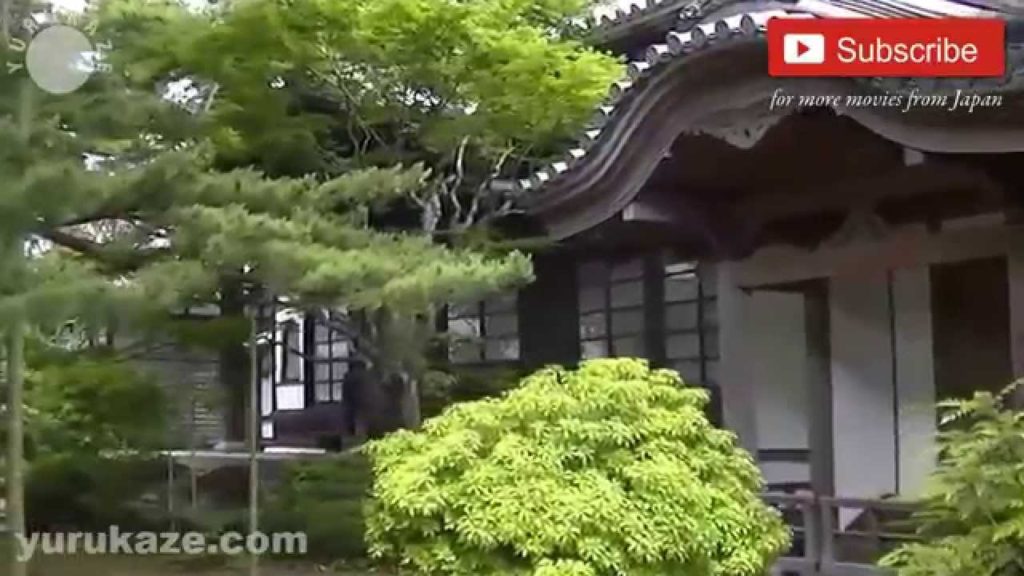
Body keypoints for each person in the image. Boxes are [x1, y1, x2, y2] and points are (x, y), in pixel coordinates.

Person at [341, 359, 368, 440]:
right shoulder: (364, 376)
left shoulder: (348, 376)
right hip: (361, 403)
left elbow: (345, 390)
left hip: (350, 403)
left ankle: (352, 438)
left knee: (350, 422)